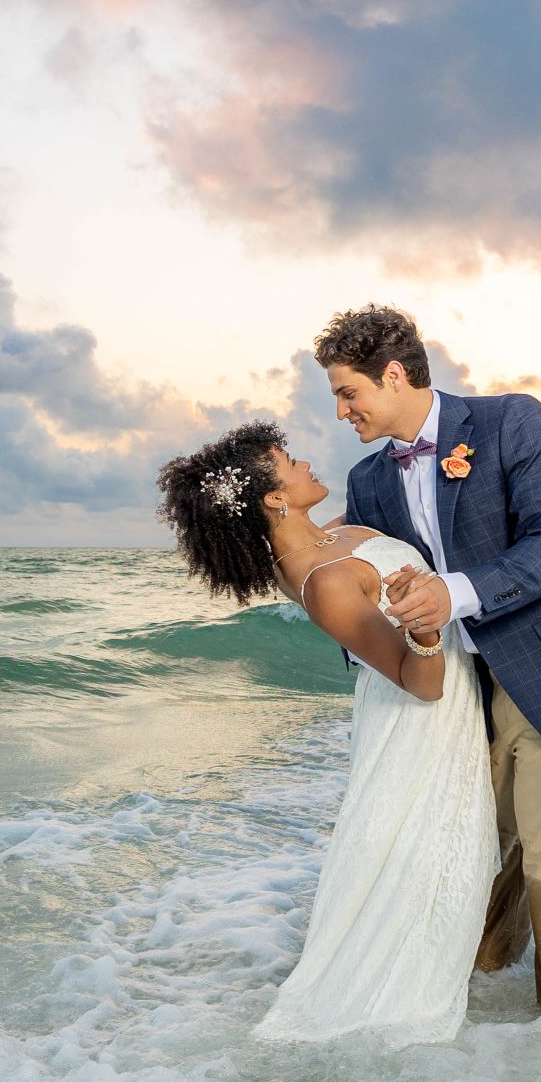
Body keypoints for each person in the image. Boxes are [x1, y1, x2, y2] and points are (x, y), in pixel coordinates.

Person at [316, 303, 541, 1018]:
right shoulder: (368, 482)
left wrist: (454, 592)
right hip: (454, 702)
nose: (343, 410)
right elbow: (379, 595)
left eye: (348, 392)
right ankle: (484, 1030)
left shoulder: (513, 423)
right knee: (477, 863)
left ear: (392, 374)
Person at [157, 422, 496, 1046]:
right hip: (419, 724)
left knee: (421, 854)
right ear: (273, 500)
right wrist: (423, 630)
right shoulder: (322, 580)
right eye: (287, 460)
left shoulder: (331, 537)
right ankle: (394, 1002)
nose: (305, 460)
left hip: (433, 710)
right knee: (420, 856)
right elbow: (420, 683)